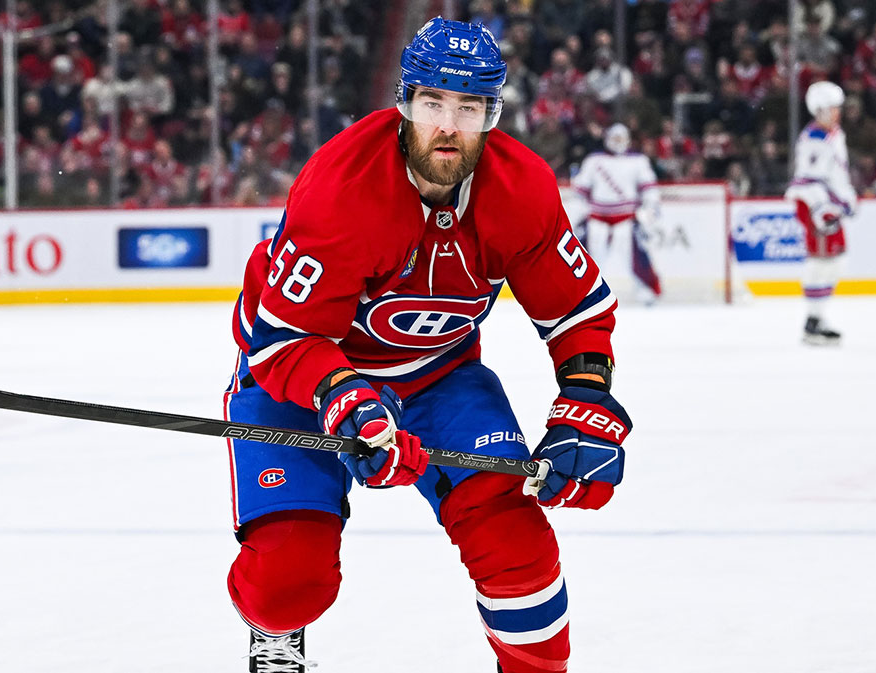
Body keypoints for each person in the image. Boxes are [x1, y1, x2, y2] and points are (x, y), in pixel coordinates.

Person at [225, 18, 632, 673]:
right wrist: (348, 399)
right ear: (404, 103)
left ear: (490, 115)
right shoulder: (341, 189)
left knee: (516, 543)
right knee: (287, 583)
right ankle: (274, 626)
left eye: (468, 108)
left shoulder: (520, 188)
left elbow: (578, 311)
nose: (448, 125)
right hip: (300, 377)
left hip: (439, 379)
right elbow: (283, 340)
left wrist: (586, 395)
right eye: (433, 103)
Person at [785, 81, 857, 345]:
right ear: (818, 110)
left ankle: (818, 317)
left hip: (829, 205)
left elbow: (838, 173)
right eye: (831, 108)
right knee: (821, 262)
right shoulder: (814, 139)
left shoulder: (834, 134)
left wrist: (846, 198)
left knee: (836, 261)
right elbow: (807, 180)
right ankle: (812, 322)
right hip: (816, 206)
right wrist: (820, 208)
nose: (837, 113)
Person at [571, 123, 662, 305]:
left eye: (621, 138)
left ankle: (646, 290)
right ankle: (583, 293)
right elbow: (580, 189)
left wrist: (650, 209)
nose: (618, 142)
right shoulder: (594, 160)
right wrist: (583, 209)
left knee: (636, 257)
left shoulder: (638, 161)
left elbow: (649, 189)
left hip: (626, 218)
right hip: (597, 217)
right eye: (615, 138)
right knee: (589, 258)